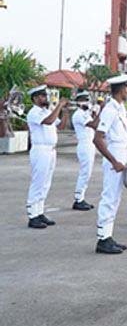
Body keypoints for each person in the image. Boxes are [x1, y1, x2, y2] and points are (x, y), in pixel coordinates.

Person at [93, 74, 127, 254]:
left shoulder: (119, 108)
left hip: (121, 154)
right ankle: (102, 239)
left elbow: (119, 134)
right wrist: (114, 161)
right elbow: (98, 138)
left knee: (115, 198)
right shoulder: (110, 109)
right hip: (114, 157)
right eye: (126, 88)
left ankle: (107, 235)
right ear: (120, 89)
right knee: (109, 197)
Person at [25, 85, 68, 228]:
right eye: (43, 96)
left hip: (50, 150)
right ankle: (32, 215)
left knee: (46, 183)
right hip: (40, 149)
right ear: (35, 98)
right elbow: (49, 121)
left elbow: (60, 126)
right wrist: (59, 105)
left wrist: (65, 112)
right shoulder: (34, 112)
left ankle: (39, 211)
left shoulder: (47, 111)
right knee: (38, 182)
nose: (45, 98)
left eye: (45, 95)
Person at [72, 90, 99, 211]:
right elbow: (94, 125)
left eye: (88, 100)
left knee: (87, 173)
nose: (87, 102)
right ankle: (78, 199)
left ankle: (81, 197)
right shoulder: (79, 114)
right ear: (78, 101)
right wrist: (101, 112)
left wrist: (95, 113)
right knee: (85, 173)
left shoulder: (85, 113)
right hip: (84, 144)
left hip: (89, 144)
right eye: (84, 100)